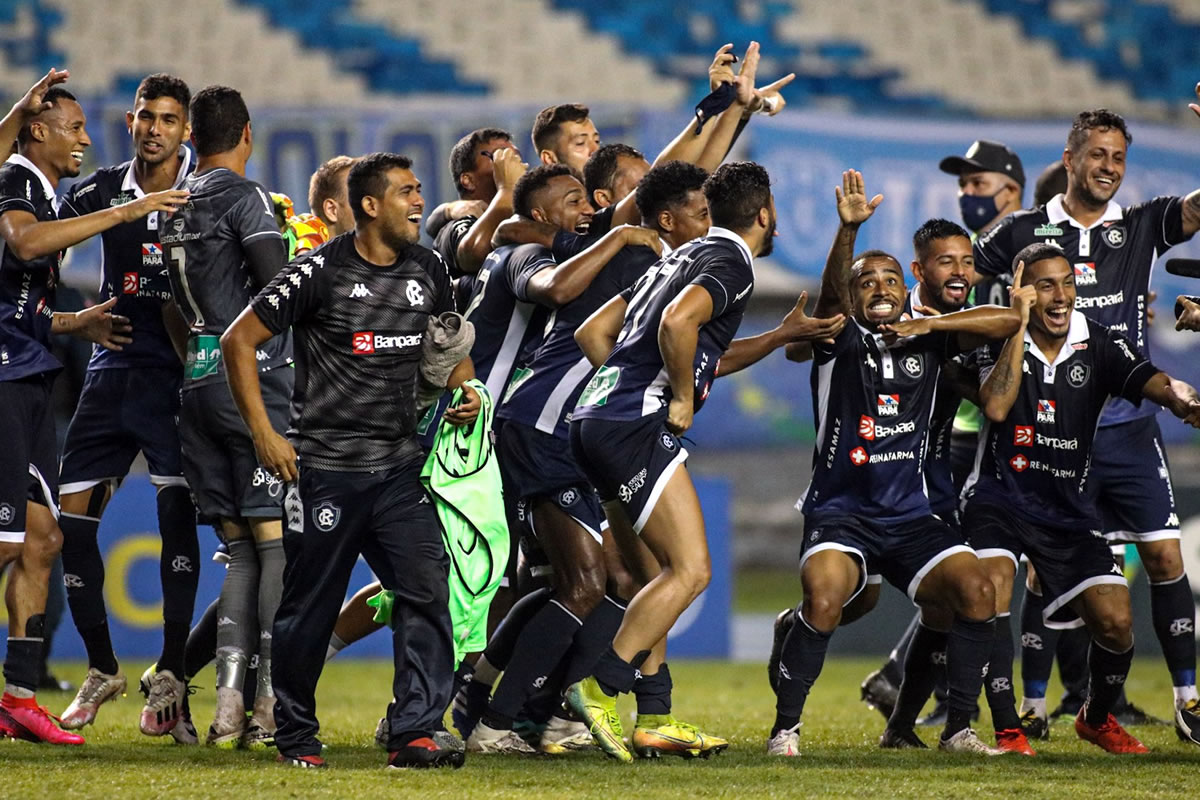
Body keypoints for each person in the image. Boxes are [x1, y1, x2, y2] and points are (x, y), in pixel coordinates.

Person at [221, 151, 479, 770]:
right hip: (325, 470)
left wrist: (466, 390)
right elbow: (238, 339)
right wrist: (264, 434)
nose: (419, 202)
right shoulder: (319, 271)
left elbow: (448, 349)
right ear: (370, 205)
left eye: (418, 191)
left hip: (400, 469)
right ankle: (295, 735)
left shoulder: (429, 269)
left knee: (426, 590)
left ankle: (414, 732)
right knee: (308, 609)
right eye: (406, 192)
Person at [563, 161, 816, 763]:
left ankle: (656, 717)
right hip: (632, 426)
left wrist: (777, 336)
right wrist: (674, 395)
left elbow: (594, 333)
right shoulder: (731, 261)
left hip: (594, 419)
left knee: (656, 575)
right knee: (692, 571)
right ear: (765, 214)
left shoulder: (676, 259)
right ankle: (600, 687)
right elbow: (679, 324)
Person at [768, 170, 1024, 758]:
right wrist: (848, 232)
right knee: (827, 602)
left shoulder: (928, 335)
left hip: (912, 514)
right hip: (842, 512)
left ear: (907, 290)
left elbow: (1009, 322)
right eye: (867, 281)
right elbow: (831, 295)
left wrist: (929, 322)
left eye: (890, 279)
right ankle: (785, 731)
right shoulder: (838, 338)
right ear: (853, 296)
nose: (880, 288)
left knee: (977, 592)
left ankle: (957, 729)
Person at [973, 108, 1200, 744]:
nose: (1109, 168)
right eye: (1097, 154)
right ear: (1070, 159)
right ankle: (1034, 704)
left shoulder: (1141, 225)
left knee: (1163, 555)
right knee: (1042, 572)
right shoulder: (1023, 230)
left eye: (1118, 157)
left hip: (1128, 426)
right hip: (1052, 433)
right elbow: (959, 274)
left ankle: (1188, 699)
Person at [0, 71, 186, 745]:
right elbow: (24, 243)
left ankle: (26, 696)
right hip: (36, 378)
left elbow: (23, 301)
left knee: (44, 539)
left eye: (168, 118)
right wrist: (125, 213)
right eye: (74, 128)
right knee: (26, 539)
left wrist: (75, 321)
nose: (85, 138)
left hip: (65, 375)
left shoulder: (47, 190)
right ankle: (83, 673)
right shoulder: (37, 184)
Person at [50, 74, 200, 740]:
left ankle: (171, 671)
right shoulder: (102, 189)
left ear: (186, 129)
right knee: (69, 525)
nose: (154, 129)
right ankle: (103, 667)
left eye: (167, 119)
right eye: (145, 116)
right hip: (110, 372)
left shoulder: (205, 192)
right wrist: (70, 320)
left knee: (175, 520)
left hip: (175, 379)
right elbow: (33, 241)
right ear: (131, 122)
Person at [859, 143, 1026, 725]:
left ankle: (927, 719)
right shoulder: (883, 307)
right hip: (863, 479)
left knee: (956, 598)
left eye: (966, 263)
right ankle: (798, 633)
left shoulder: (957, 323)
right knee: (853, 599)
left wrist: (934, 329)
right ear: (919, 271)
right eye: (946, 263)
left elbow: (996, 392)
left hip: (932, 479)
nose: (959, 273)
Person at [160, 85, 289, 748]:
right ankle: (267, 705)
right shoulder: (248, 198)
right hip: (254, 384)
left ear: (191, 137)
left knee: (240, 549)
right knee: (274, 543)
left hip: (198, 381)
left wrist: (200, 359)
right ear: (246, 135)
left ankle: (227, 710)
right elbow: (278, 290)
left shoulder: (172, 206)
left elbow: (169, 308)